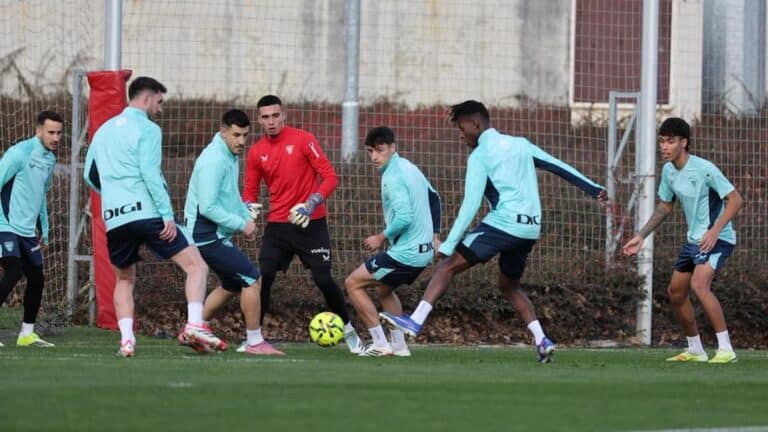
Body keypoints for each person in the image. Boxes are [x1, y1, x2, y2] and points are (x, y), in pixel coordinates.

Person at [381, 100, 608, 363]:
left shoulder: (479, 155)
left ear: (476, 124)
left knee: (446, 266)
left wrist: (448, 243)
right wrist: (595, 190)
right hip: (530, 228)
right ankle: (541, 339)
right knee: (509, 286)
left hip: (503, 224)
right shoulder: (521, 144)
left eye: (462, 127)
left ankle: (415, 321)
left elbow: (470, 204)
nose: (460, 133)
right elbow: (558, 165)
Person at [84, 76, 226, 357]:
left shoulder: (102, 131)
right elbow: (150, 174)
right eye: (159, 102)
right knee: (196, 265)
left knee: (124, 280)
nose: (160, 109)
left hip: (114, 219)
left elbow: (90, 176)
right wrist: (166, 215)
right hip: (148, 214)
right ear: (146, 99)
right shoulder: (148, 129)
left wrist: (114, 196)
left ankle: (126, 341)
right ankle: (195, 324)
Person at [242, 94, 363, 353]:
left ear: (284, 115)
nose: (271, 121)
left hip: (312, 223)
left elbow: (330, 176)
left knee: (323, 279)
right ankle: (253, 338)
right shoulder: (256, 153)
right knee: (262, 278)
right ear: (259, 120)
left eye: (275, 115)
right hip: (278, 225)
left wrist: (311, 204)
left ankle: (350, 332)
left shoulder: (304, 140)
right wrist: (247, 215)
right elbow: (250, 191)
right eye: (265, 117)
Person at [622, 118, 742, 364]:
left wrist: (715, 231)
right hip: (693, 241)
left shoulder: (704, 168)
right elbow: (665, 206)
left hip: (718, 239)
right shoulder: (668, 171)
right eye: (662, 142)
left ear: (684, 142)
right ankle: (696, 349)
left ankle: (726, 348)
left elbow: (735, 199)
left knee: (699, 285)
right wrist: (641, 235)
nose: (664, 147)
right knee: (676, 293)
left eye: (670, 141)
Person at [184, 109, 283, 355]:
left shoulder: (229, 154)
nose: (241, 141)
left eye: (245, 135)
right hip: (203, 235)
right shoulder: (213, 159)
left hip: (212, 234)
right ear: (223, 131)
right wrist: (241, 224)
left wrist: (243, 217)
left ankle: (195, 329)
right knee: (251, 278)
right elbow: (207, 207)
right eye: (236, 135)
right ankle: (254, 342)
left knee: (231, 283)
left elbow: (231, 194)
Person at [344, 127, 441, 357]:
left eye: (380, 150)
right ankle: (399, 347)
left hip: (405, 255)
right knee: (385, 289)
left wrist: (380, 237)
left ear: (392, 148)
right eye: (370, 151)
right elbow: (434, 198)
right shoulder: (409, 167)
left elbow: (405, 218)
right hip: (423, 252)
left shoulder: (392, 177)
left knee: (353, 283)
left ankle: (380, 343)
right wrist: (435, 236)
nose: (374, 157)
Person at [0, 111, 63, 348]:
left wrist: (44, 228)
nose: (56, 137)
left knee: (37, 277)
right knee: (14, 270)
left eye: (59, 133)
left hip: (27, 230)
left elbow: (41, 196)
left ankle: (26, 334)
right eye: (51, 132)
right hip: (5, 224)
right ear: (38, 131)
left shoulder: (50, 159)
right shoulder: (19, 153)